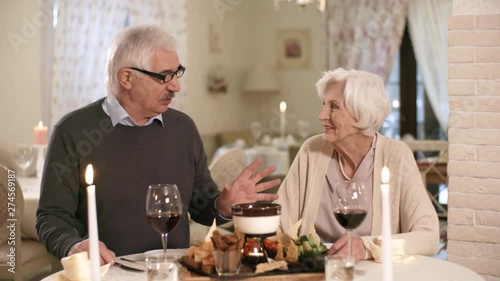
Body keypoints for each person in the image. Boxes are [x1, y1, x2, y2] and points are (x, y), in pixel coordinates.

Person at [36, 25, 280, 264]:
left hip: (175, 271)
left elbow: (201, 207)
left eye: (177, 73)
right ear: (127, 78)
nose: (175, 86)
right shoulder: (73, 132)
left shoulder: (183, 128)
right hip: (108, 274)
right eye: (164, 76)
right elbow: (52, 217)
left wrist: (222, 205)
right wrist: (74, 245)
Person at [275, 68, 439, 261]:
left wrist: (366, 246)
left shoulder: (396, 156)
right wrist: (240, 212)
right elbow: (278, 222)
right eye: (324, 104)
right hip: (315, 274)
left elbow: (428, 237)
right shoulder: (311, 151)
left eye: (334, 106)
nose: (322, 115)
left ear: (361, 113)